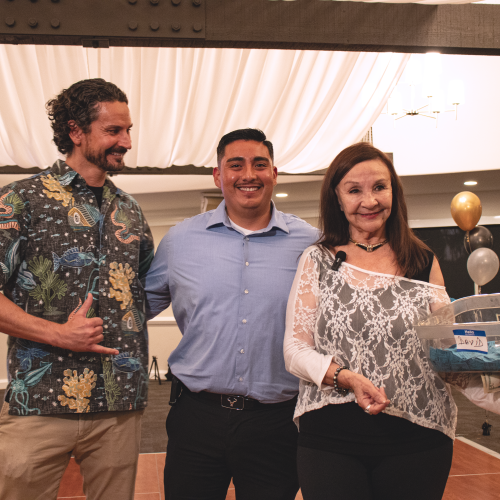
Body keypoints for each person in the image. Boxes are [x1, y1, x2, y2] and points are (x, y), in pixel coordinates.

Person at [142, 128, 319, 500]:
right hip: (196, 417)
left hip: (278, 422)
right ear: (218, 175)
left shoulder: (311, 244)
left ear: (274, 173)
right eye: (236, 165)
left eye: (260, 164)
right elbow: (138, 307)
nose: (248, 174)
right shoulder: (179, 241)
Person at [0, 78, 154, 500]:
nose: (126, 142)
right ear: (75, 131)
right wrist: (58, 333)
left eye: (128, 130)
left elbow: (143, 292)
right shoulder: (20, 200)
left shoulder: (130, 210)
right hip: (40, 402)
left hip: (120, 405)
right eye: (113, 131)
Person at [283, 142, 457, 500]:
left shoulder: (422, 261)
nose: (370, 200)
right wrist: (347, 378)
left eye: (380, 187)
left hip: (418, 441)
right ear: (336, 198)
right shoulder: (317, 260)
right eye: (354, 190)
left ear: (394, 191)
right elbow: (294, 351)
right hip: (330, 440)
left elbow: (446, 349)